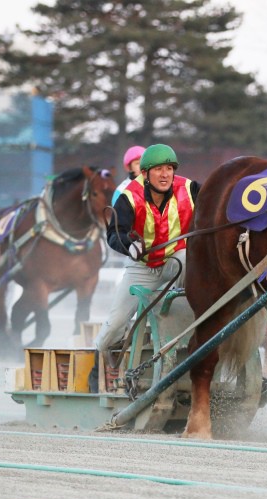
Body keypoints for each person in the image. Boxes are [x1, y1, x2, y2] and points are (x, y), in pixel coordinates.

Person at [89, 144, 201, 392]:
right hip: (142, 266)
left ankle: (184, 326)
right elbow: (114, 234)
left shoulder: (192, 189)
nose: (165, 175)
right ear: (145, 173)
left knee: (185, 259)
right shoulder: (129, 196)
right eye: (159, 169)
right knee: (115, 323)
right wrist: (128, 246)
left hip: (176, 260)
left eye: (170, 169)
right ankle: (98, 361)